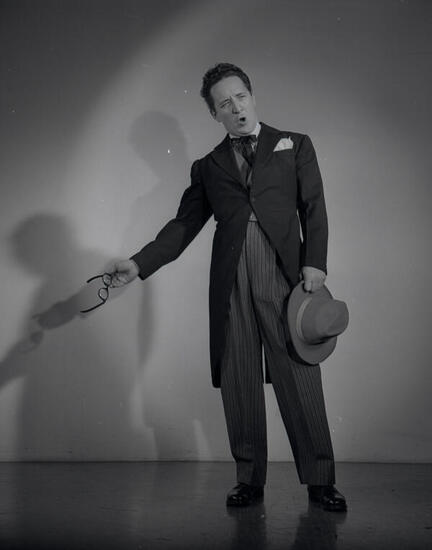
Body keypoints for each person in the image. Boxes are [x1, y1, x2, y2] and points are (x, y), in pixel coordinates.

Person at [110, 63, 347, 512]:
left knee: (298, 372)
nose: (235, 107)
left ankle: (320, 480)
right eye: (224, 103)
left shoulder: (295, 144)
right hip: (231, 276)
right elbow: (183, 226)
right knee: (239, 376)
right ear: (214, 114)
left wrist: (315, 262)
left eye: (240, 97)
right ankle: (249, 479)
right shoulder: (208, 166)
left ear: (251, 96)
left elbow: (314, 207)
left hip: (283, 273)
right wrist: (139, 263)